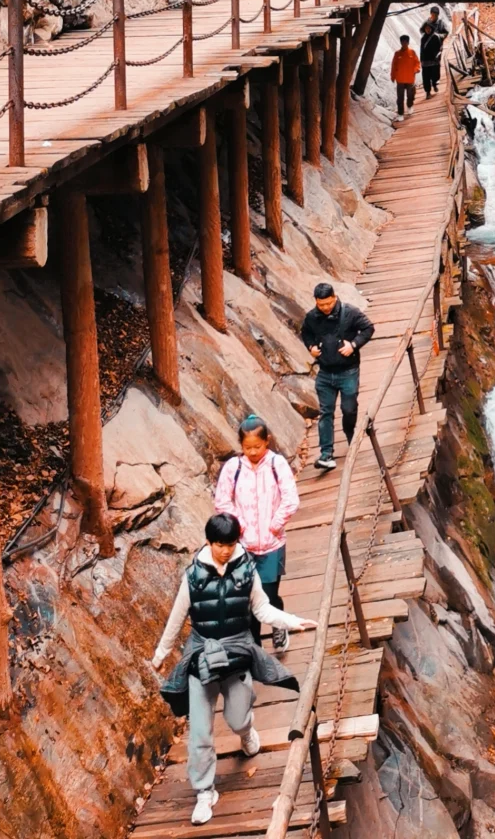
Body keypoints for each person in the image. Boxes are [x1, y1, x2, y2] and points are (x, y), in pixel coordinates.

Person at [151, 513, 316, 826]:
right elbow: (177, 617)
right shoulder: (193, 577)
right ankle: (204, 792)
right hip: (202, 654)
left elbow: (261, 608)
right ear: (209, 542)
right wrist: (161, 653)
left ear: (237, 541)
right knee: (200, 730)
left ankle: (246, 731)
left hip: (237, 651)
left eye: (229, 544)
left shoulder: (246, 571)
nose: (225, 550)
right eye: (218, 544)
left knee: (237, 718)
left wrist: (292, 621)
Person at [213, 415, 300, 652]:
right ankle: (254, 649)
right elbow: (222, 501)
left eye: (257, 447)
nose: (252, 452)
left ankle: (278, 624)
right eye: (247, 447)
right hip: (244, 547)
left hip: (272, 544)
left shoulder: (276, 464)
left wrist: (275, 524)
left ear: (267, 442)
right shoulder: (234, 468)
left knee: (269, 596)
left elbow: (291, 499)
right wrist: (239, 526)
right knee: (248, 600)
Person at [300, 281, 374, 472]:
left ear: (334, 297)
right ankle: (326, 454)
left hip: (348, 371)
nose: (325, 308)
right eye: (321, 304)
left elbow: (368, 328)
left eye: (328, 303)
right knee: (326, 412)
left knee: (349, 409)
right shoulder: (312, 317)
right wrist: (311, 347)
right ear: (316, 301)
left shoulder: (350, 313)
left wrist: (354, 345)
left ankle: (350, 434)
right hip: (325, 372)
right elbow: (305, 332)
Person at [390, 33, 420, 119]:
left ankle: (410, 106)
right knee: (400, 97)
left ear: (408, 42)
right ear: (400, 43)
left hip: (410, 78)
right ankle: (400, 113)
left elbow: (417, 63)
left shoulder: (412, 52)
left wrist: (416, 69)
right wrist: (392, 76)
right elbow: (393, 66)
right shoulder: (397, 54)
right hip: (400, 79)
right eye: (402, 42)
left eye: (405, 42)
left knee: (411, 95)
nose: (404, 43)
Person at [420, 20, 443, 99]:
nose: (428, 30)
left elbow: (440, 48)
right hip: (425, 61)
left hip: (434, 61)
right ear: (424, 29)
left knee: (435, 75)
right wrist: (421, 60)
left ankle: (434, 84)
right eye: (426, 28)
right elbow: (421, 50)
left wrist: (438, 58)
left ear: (431, 28)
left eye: (429, 28)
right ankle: (428, 92)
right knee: (426, 77)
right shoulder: (423, 38)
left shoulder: (436, 37)